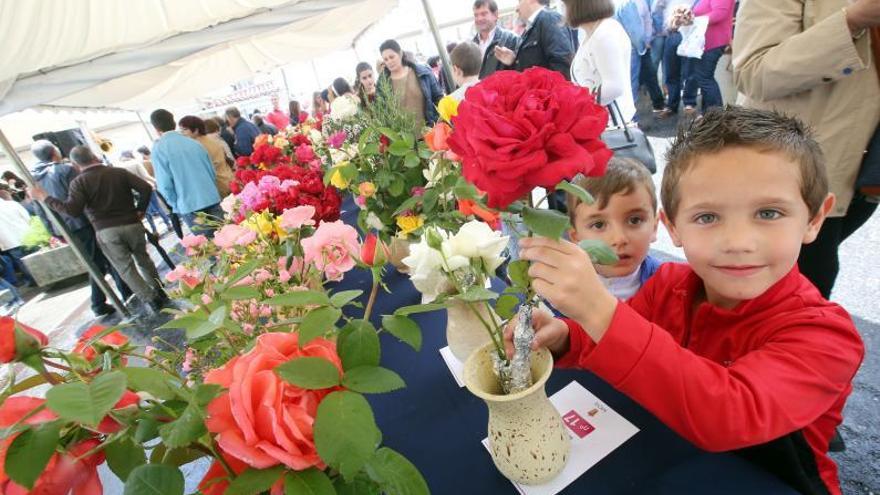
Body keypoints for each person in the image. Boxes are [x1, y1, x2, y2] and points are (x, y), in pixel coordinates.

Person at [510, 107, 862, 495]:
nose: (738, 242)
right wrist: (564, 336)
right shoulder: (668, 285)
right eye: (708, 217)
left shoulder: (827, 335)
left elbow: (729, 414)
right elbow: (610, 338)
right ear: (674, 228)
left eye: (768, 212)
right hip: (669, 453)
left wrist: (597, 308)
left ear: (814, 219)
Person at [733, 0, 880, 300]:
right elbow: (755, 73)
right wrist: (852, 21)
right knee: (794, 287)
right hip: (797, 175)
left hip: (864, 172)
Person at [31, 146, 168, 314]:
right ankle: (160, 289)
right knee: (144, 259)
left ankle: (151, 299)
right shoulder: (118, 172)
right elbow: (146, 188)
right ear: (94, 156)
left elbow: (72, 210)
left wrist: (45, 198)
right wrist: (140, 210)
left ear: (75, 163)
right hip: (133, 223)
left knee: (125, 268)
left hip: (106, 231)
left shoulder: (79, 182)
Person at [565, 157, 660, 300]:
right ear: (575, 236)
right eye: (599, 225)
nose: (619, 238)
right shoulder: (560, 289)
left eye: (634, 220)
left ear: (654, 227)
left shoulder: (669, 286)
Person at [149, 109, 223, 237]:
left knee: (210, 249)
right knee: (227, 241)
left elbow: (164, 185)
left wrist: (175, 204)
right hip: (211, 197)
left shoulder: (159, 149)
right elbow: (211, 171)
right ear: (173, 122)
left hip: (189, 205)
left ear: (155, 128)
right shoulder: (194, 143)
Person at [566, 0, 636, 122]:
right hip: (602, 121)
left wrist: (578, 107)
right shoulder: (596, 31)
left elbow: (614, 87)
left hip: (608, 124)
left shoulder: (604, 33)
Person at [493, 0, 575, 79]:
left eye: (519, 1)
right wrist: (514, 60)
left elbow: (562, 66)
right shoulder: (535, 25)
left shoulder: (549, 19)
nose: (517, 9)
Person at [679, 0, 735, 112]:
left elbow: (719, 14)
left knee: (705, 79)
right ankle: (708, 114)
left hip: (715, 41)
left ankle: (718, 116)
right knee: (704, 78)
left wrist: (693, 20)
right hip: (706, 42)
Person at [378, 39, 444, 129]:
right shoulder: (382, 82)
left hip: (430, 132)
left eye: (392, 57)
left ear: (400, 54)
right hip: (403, 139)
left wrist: (442, 123)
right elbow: (382, 112)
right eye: (385, 59)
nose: (389, 61)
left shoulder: (424, 72)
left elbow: (439, 99)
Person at [614, 0, 665, 112]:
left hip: (639, 45)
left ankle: (658, 103)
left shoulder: (640, 2)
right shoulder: (627, 4)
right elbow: (634, 31)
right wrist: (642, 44)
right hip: (633, 47)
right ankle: (631, 117)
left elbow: (647, 20)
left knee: (649, 74)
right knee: (631, 82)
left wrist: (647, 38)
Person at [656, 1, 700, 118]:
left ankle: (689, 103)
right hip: (671, 32)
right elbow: (656, 9)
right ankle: (671, 105)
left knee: (690, 73)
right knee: (671, 72)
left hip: (690, 33)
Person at [117, 150, 173, 235]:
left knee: (146, 212)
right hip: (147, 188)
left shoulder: (120, 167)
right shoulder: (136, 163)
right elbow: (145, 176)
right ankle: (168, 224)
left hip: (135, 192)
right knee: (158, 207)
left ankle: (154, 230)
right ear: (131, 155)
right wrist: (156, 182)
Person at [178, 115, 234, 198]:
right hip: (228, 179)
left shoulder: (197, 146)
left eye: (185, 129)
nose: (182, 133)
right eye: (181, 130)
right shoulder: (211, 141)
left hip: (218, 185)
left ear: (196, 130)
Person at [472, 0, 520, 79]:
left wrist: (513, 61)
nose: (479, 18)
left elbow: (522, 70)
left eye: (484, 14)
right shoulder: (471, 46)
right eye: (476, 15)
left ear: (495, 15)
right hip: (479, 90)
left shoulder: (512, 39)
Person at [0, 188, 36, 289]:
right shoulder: (12, 204)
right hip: (28, 235)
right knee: (34, 257)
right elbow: (28, 218)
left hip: (9, 242)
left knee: (23, 263)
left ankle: (34, 280)